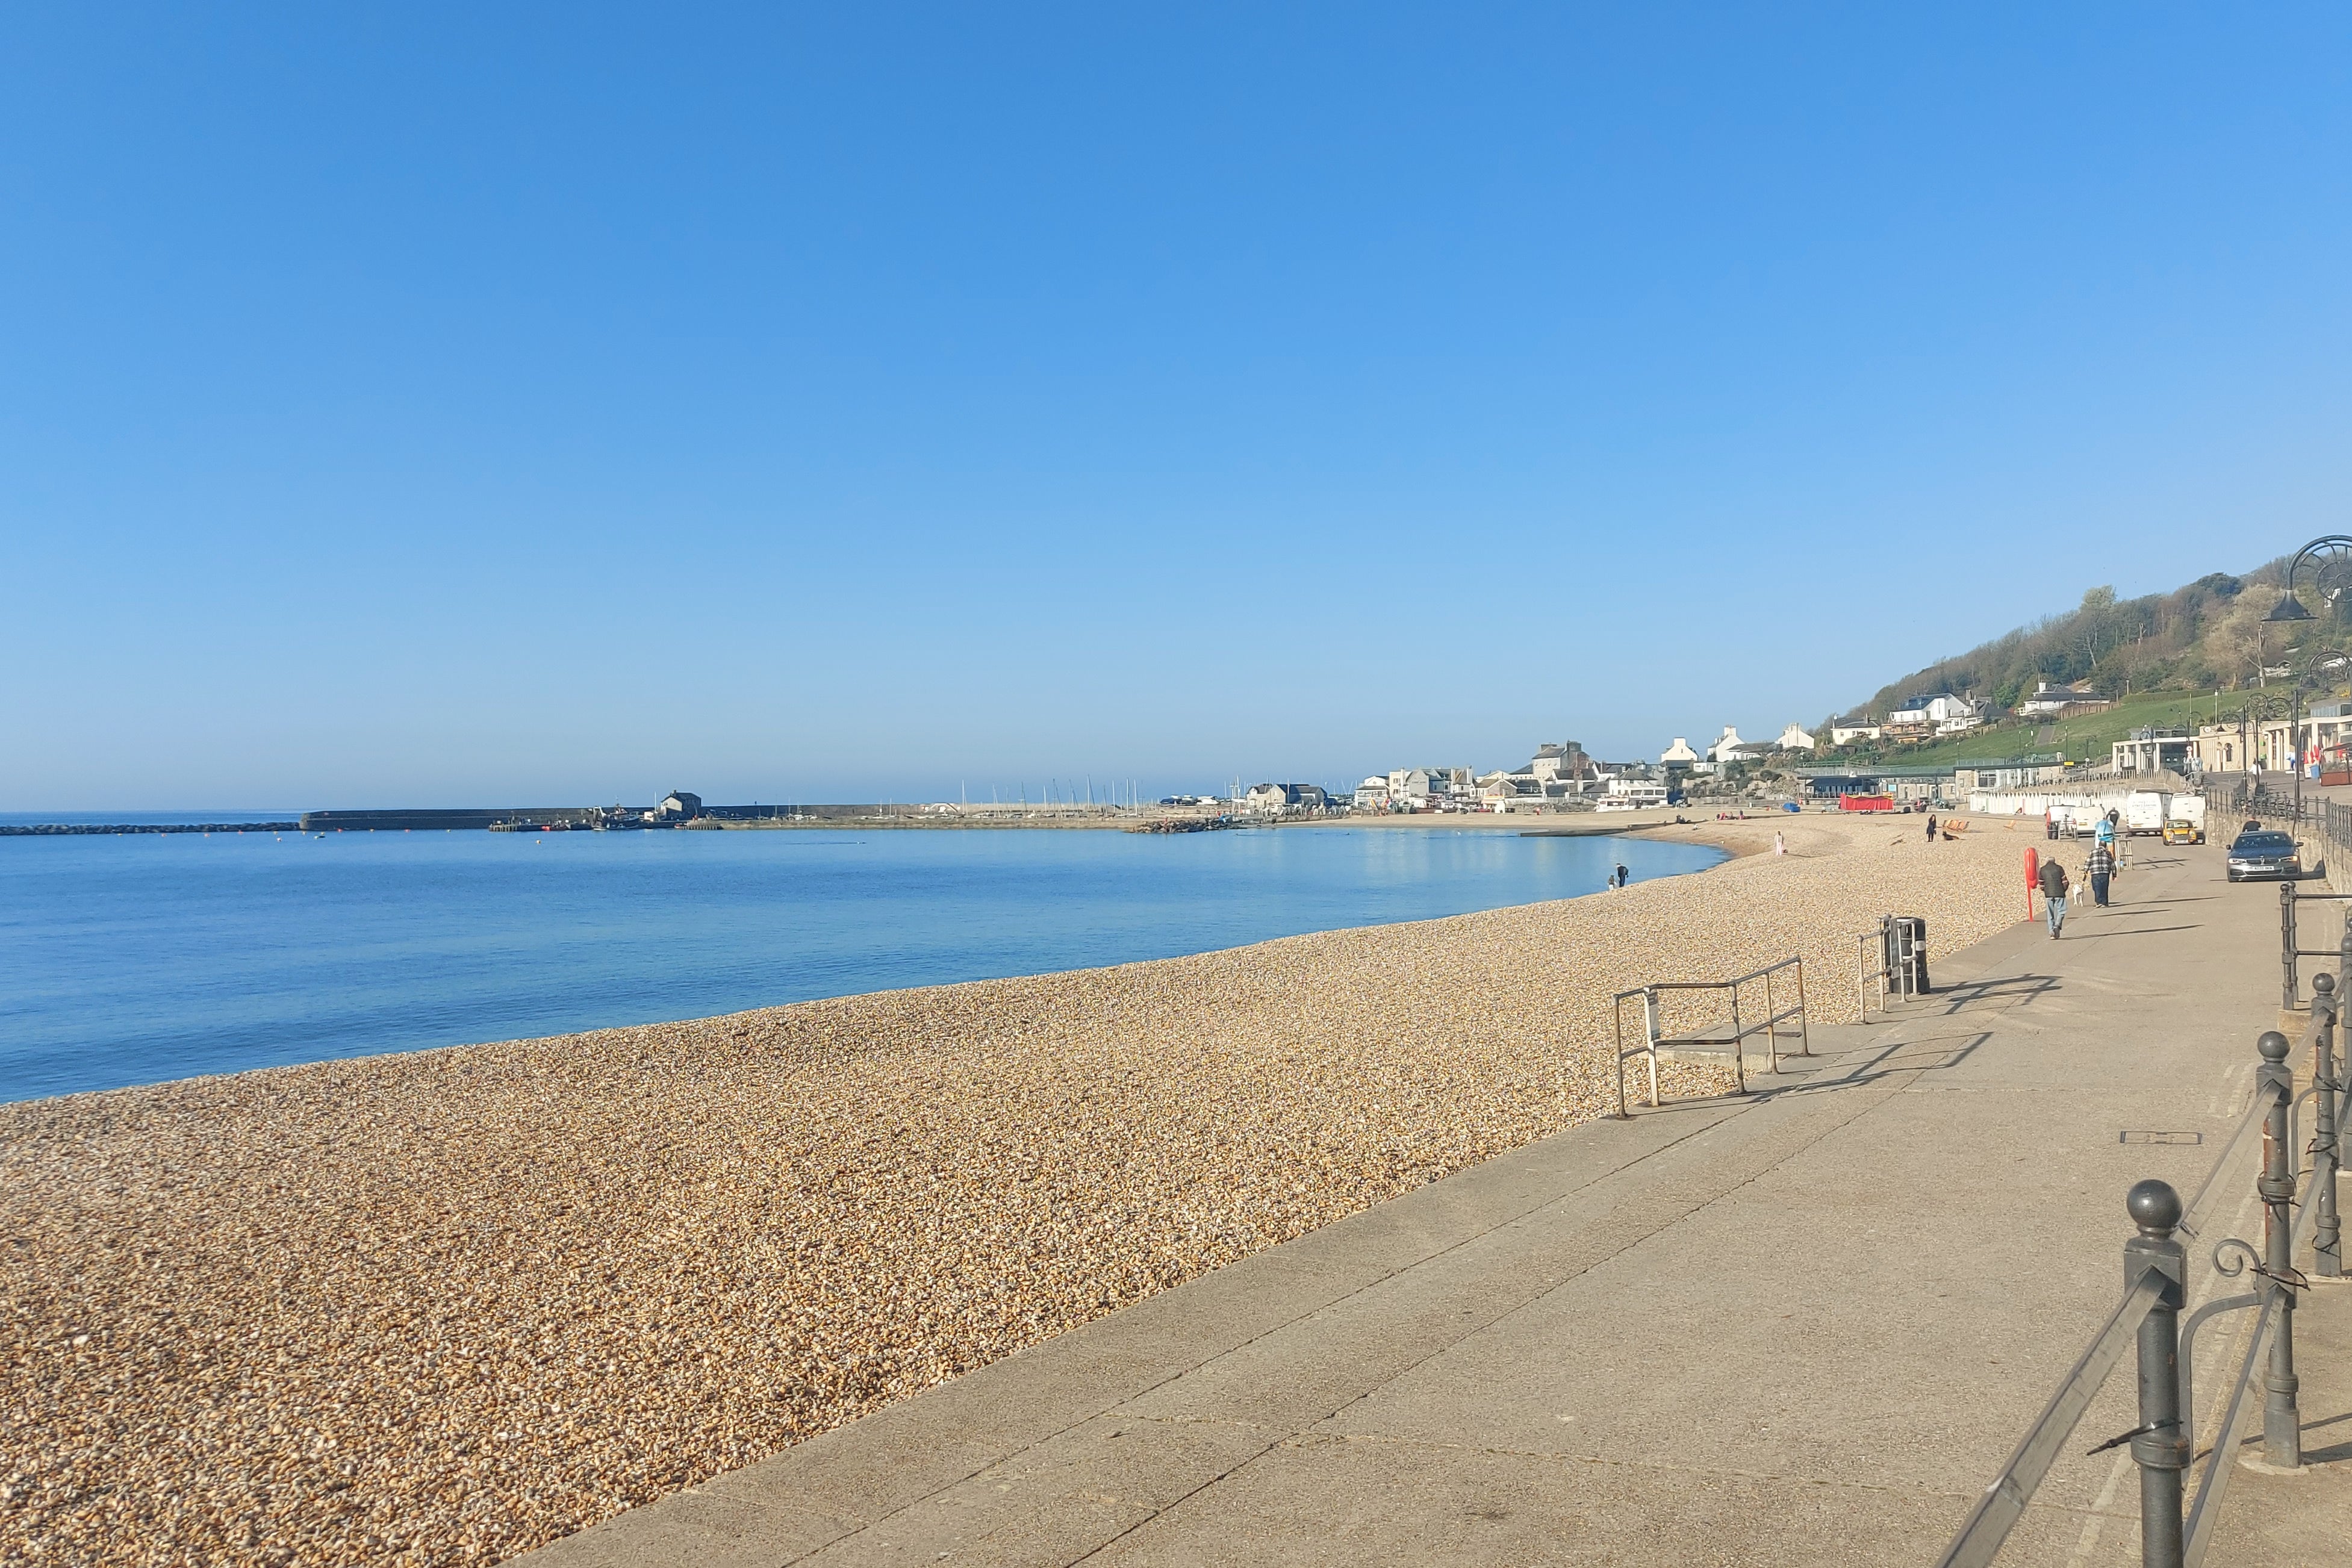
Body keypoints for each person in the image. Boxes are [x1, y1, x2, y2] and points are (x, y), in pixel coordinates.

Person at [2038, 856, 2071, 938]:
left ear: (2046, 861)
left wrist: (2046, 891)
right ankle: (2057, 925)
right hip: (2060, 893)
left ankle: (2051, 931)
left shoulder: (2042, 870)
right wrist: (2063, 890)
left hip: (2048, 894)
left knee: (2050, 913)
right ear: (2054, 861)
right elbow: (2065, 882)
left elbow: (2041, 884)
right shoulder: (2059, 868)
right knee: (2062, 911)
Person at [2087, 838, 2114, 906]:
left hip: (2095, 873)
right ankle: (2104, 902)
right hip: (2105, 872)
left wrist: (2085, 870)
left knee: (2096, 887)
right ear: (2105, 846)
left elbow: (2088, 862)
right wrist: (2114, 874)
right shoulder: (2108, 853)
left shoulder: (2092, 852)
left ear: (2099, 845)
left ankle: (2099, 902)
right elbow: (2112, 864)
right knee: (2104, 887)